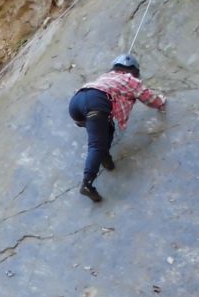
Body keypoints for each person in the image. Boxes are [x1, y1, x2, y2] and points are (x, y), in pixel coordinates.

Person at [68, 53, 166, 202]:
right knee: (96, 144)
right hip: (96, 103)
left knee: (107, 128)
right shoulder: (130, 79)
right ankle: (87, 184)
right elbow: (147, 97)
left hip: (76, 102)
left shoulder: (105, 77)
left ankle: (105, 158)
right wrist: (161, 103)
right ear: (134, 70)